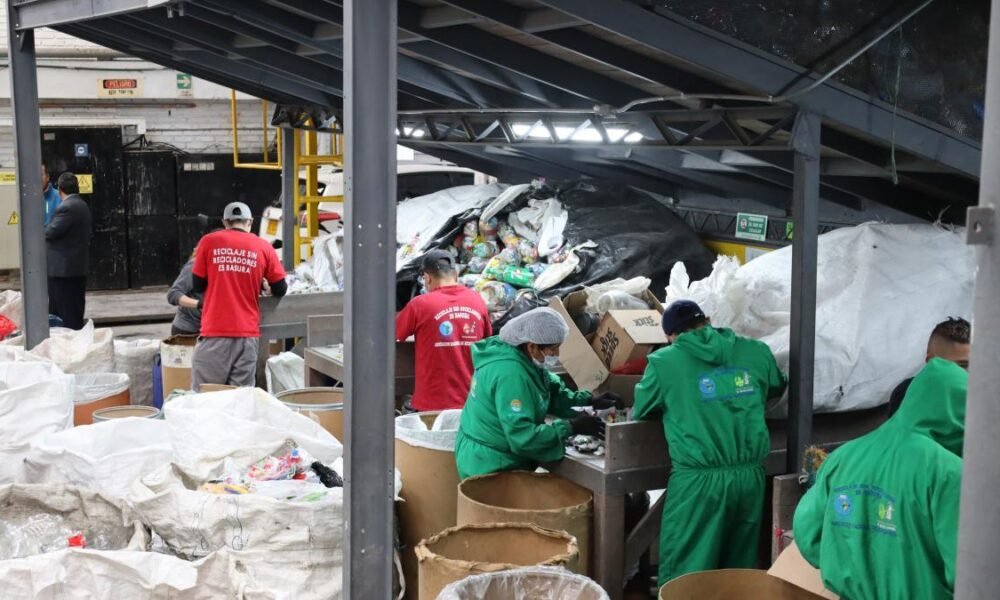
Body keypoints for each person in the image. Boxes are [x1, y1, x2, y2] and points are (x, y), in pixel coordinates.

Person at [632, 299, 787, 586]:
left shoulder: (664, 362)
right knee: (735, 573)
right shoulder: (757, 351)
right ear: (707, 320)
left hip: (698, 484)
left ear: (670, 336)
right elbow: (777, 384)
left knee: (686, 571)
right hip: (750, 477)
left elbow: (641, 409)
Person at [793, 358, 967, 599]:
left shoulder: (842, 457)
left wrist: (851, 568)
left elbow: (807, 533)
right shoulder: (950, 472)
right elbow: (967, 572)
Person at [455, 307, 619, 480]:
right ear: (532, 346)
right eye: (553, 349)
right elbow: (522, 437)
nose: (557, 354)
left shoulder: (525, 359)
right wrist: (570, 427)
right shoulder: (511, 374)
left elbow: (551, 394)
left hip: (498, 454)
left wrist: (589, 400)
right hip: (489, 463)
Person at [190, 201, 287, 390]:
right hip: (247, 336)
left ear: (225, 222)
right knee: (240, 401)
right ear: (250, 222)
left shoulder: (209, 241)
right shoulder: (264, 247)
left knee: (205, 398)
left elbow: (198, 285)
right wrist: (262, 283)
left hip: (215, 333)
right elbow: (281, 288)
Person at [395, 250, 492, 411]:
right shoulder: (477, 300)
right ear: (455, 274)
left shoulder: (420, 305)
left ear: (427, 278)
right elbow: (486, 339)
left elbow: (396, 334)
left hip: (431, 404)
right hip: (471, 402)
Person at [887, 317, 969, 417]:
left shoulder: (980, 397)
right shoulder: (904, 394)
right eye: (961, 365)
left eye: (976, 366)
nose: (968, 373)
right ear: (931, 361)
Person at [45, 172, 92, 330]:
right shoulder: (81, 205)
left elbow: (50, 232)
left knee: (66, 315)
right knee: (73, 311)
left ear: (60, 189)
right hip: (75, 269)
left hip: (64, 272)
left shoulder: (66, 208)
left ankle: (69, 346)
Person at [166, 249, 202, 336]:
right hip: (188, 330)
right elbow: (173, 294)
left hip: (210, 330)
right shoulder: (195, 265)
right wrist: (200, 304)